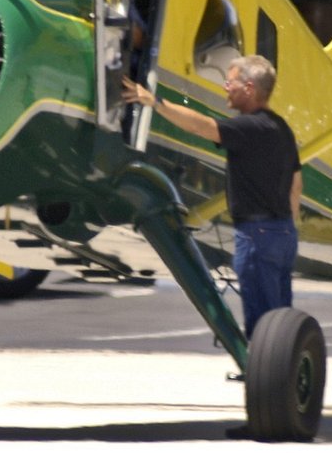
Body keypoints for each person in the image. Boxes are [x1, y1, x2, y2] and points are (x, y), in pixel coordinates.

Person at [121, 55, 302, 341]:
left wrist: (155, 103)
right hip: (283, 234)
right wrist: (289, 230)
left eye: (230, 82)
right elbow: (296, 185)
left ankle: (266, 377)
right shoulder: (282, 129)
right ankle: (282, 373)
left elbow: (202, 127)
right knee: (281, 320)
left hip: (257, 235)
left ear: (249, 88)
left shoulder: (249, 127)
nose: (225, 88)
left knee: (264, 327)